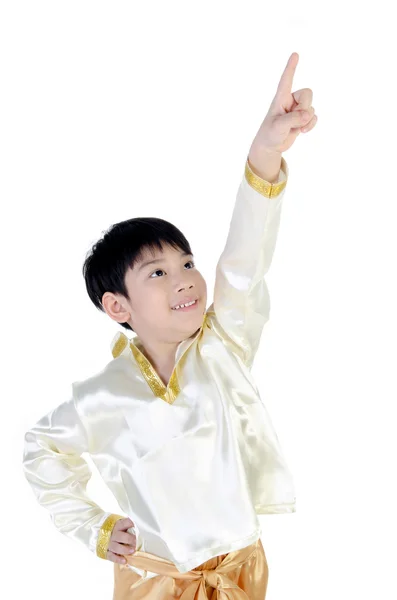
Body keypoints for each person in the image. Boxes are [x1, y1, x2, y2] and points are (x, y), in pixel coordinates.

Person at [22, 51, 317, 599]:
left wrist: (265, 154)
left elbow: (244, 266)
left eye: (186, 264)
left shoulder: (222, 347)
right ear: (118, 307)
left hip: (240, 573)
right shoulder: (102, 397)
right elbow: (41, 448)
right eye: (157, 272)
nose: (183, 280)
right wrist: (94, 526)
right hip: (153, 582)